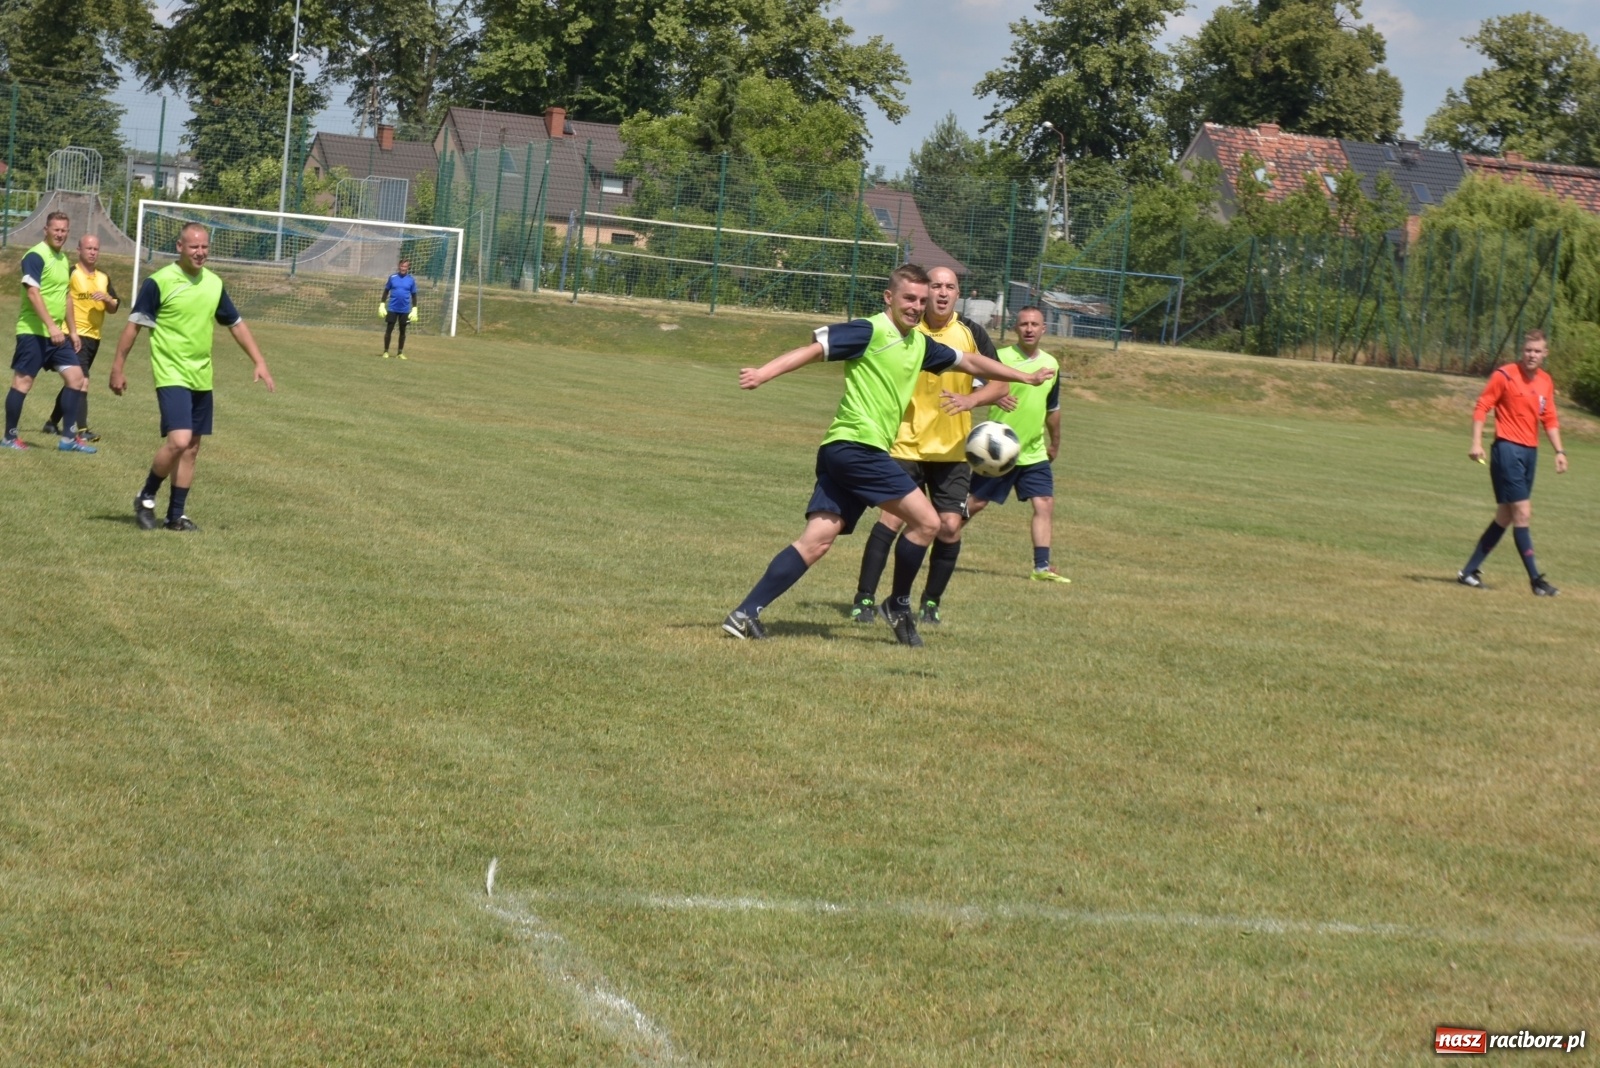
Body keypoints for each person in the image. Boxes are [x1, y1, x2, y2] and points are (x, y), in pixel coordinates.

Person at [722, 264, 1054, 646]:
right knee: (929, 523)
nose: (916, 306)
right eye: (909, 298)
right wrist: (764, 373)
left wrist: (1023, 377)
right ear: (889, 298)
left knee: (818, 539)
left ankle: (745, 613)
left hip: (842, 451)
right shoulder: (871, 330)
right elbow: (814, 351)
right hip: (858, 448)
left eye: (922, 300)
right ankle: (897, 604)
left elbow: (972, 362)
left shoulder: (919, 344)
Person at [848, 265, 1008, 626]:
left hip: (951, 451)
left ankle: (930, 603)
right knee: (891, 518)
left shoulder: (971, 332)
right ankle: (864, 599)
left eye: (949, 287)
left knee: (949, 526)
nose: (941, 293)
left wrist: (972, 400)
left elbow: (1000, 385)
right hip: (905, 443)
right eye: (935, 285)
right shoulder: (907, 327)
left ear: (957, 293)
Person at [108, 222, 276, 532]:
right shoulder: (159, 282)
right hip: (171, 372)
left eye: (204, 247)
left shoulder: (213, 284)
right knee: (179, 440)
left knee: (193, 447)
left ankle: (176, 516)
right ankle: (146, 496)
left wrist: (259, 360)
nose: (200, 252)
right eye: (193, 246)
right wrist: (118, 367)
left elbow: (235, 324)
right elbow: (133, 326)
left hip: (202, 375)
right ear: (179, 247)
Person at [961, 306, 1070, 583]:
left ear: (1044, 329)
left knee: (1044, 503)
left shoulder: (1051, 365)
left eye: (1035, 324)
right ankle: (938, 534)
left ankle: (1041, 568)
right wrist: (994, 396)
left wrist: (1054, 443)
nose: (1029, 329)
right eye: (1024, 324)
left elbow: (1052, 408)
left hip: (1033, 451)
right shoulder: (1000, 357)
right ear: (1015, 328)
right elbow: (974, 388)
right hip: (998, 451)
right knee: (975, 504)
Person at [1456, 329, 1567, 595]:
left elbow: (1549, 419)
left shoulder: (1545, 382)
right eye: (1528, 350)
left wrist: (1560, 451)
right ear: (1522, 350)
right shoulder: (1504, 375)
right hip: (1507, 450)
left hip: (1531, 453)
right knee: (1523, 513)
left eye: (1537, 351)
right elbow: (1482, 406)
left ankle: (1468, 571)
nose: (1532, 355)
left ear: (1544, 354)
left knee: (1505, 515)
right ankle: (1536, 581)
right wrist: (1476, 442)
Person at [2, 212, 95, 453]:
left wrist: (72, 332)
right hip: (33, 332)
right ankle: (9, 437)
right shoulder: (35, 255)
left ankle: (68, 439)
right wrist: (52, 327)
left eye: (64, 230)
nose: (60, 234)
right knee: (23, 382)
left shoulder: (63, 260)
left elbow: (65, 296)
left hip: (58, 336)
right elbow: (33, 293)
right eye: (56, 229)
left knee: (76, 379)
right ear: (46, 229)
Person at [43, 235, 120, 441]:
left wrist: (107, 298)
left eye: (96, 249)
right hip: (74, 335)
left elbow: (114, 307)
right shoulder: (71, 273)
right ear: (79, 250)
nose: (93, 252)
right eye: (89, 248)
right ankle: (82, 430)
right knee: (83, 381)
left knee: (74, 381)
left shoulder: (103, 277)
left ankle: (52, 422)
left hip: (94, 337)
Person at [381, 259, 419, 359]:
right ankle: (386, 351)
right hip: (392, 308)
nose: (403, 268)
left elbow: (414, 295)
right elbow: (386, 291)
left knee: (403, 331)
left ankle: (400, 353)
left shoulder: (411, 280)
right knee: (389, 330)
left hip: (405, 310)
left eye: (405, 266)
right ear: (399, 266)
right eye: (402, 266)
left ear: (408, 268)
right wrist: (382, 304)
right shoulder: (392, 278)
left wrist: (414, 309)